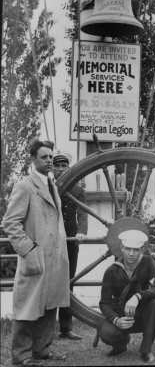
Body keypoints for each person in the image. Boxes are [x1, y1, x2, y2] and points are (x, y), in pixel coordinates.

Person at [2, 139, 70, 367]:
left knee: (51, 305)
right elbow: (10, 223)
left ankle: (42, 351)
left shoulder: (52, 184)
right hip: (36, 257)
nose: (49, 161)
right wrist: (28, 250)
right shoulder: (25, 186)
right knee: (27, 307)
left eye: (51, 157)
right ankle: (21, 357)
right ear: (33, 160)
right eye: (44, 157)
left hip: (55, 259)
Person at [99, 229, 155, 363]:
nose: (132, 254)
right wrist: (116, 320)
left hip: (142, 314)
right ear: (122, 248)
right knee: (106, 333)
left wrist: (138, 296)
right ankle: (121, 345)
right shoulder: (111, 271)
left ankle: (146, 350)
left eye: (136, 250)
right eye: (128, 249)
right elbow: (104, 303)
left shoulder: (148, 263)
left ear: (142, 250)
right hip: (121, 315)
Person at [53, 150, 88, 340]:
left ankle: (65, 328)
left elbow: (83, 213)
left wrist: (82, 232)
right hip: (51, 239)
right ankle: (47, 327)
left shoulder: (78, 189)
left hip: (71, 239)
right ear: (53, 167)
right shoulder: (48, 187)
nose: (60, 169)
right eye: (57, 165)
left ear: (68, 167)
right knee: (49, 282)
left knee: (69, 282)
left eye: (63, 165)